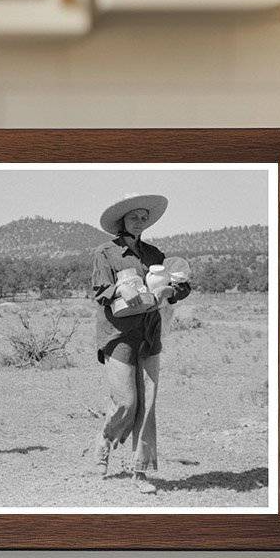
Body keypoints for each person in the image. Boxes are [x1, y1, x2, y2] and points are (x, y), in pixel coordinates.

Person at [90, 194, 191, 494]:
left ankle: (140, 471)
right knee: (126, 402)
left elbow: (177, 288)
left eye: (144, 217)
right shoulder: (105, 252)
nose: (140, 221)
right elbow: (100, 291)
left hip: (150, 333)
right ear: (122, 220)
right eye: (134, 216)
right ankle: (104, 443)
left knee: (147, 406)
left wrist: (172, 290)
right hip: (117, 334)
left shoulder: (154, 253)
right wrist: (120, 289)